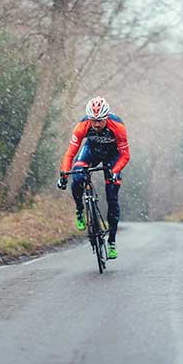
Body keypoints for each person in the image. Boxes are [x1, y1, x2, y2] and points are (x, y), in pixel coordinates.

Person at [57, 96, 130, 259]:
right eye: (93, 120)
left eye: (100, 121)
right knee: (76, 177)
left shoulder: (117, 126)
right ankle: (79, 209)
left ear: (106, 117)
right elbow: (70, 153)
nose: (96, 124)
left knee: (112, 197)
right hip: (92, 151)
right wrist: (64, 173)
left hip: (113, 156)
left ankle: (111, 241)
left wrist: (116, 170)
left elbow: (125, 155)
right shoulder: (82, 126)